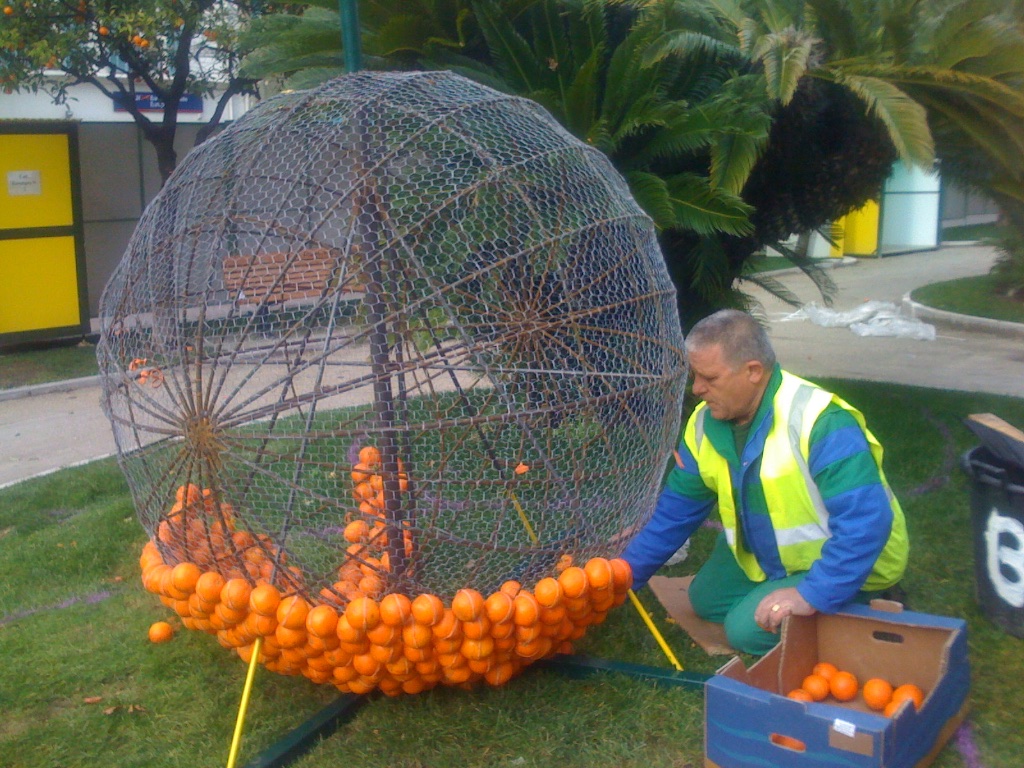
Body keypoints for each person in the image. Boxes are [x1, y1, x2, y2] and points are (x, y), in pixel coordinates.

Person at [622, 309, 908, 655]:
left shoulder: (822, 422)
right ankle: (788, 587)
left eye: (709, 378)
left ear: (753, 372)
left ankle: (864, 599)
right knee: (706, 601)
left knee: (746, 632)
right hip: (774, 552)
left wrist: (810, 594)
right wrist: (624, 575)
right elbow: (675, 513)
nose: (697, 390)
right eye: (695, 376)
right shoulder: (703, 425)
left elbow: (866, 523)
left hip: (857, 559)